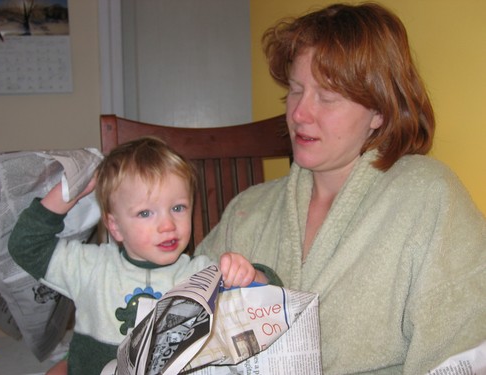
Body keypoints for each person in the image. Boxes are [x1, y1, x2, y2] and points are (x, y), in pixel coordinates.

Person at [195, 3, 486, 374]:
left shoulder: (429, 198)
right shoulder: (248, 210)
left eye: (327, 98)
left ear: (380, 111)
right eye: (296, 91)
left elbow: (460, 350)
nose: (299, 113)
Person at [8, 136, 271, 375]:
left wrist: (251, 274)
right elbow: (25, 245)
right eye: (146, 213)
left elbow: (267, 302)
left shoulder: (200, 274)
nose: (167, 225)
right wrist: (69, 193)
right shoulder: (90, 266)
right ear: (115, 226)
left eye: (178, 207)